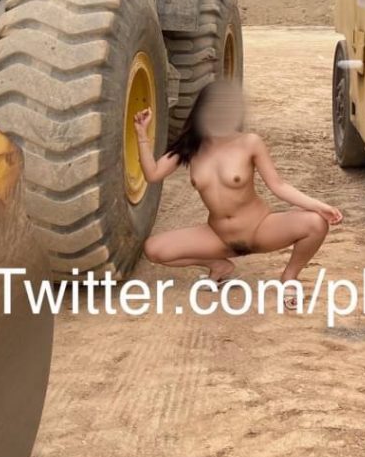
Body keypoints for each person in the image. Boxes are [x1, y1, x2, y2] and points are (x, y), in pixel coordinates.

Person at [133, 81, 342, 308]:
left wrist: (319, 206)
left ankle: (289, 277)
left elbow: (278, 185)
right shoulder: (189, 147)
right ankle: (219, 266)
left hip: (260, 229)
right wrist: (141, 135)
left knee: (316, 223)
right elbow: (153, 174)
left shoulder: (249, 142)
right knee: (153, 249)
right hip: (219, 236)